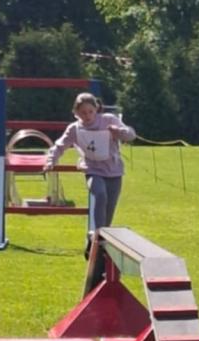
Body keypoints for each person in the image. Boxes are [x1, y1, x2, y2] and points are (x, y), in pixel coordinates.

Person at [45, 93, 136, 257]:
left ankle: (96, 243)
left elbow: (131, 134)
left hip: (114, 171)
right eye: (83, 113)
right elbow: (59, 145)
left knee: (108, 212)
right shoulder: (74, 129)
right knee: (100, 194)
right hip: (93, 170)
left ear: (97, 109)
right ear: (76, 113)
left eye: (90, 112)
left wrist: (119, 131)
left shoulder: (108, 120)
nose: (87, 116)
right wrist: (51, 161)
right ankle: (97, 238)